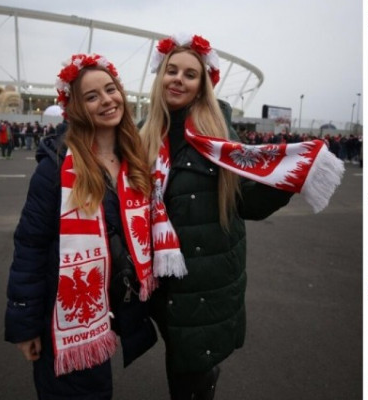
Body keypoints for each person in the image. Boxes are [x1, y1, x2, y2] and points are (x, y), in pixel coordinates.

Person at [139, 33, 345, 399]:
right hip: (159, 280)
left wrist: (289, 174)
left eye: (190, 74)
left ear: (203, 85)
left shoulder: (215, 132)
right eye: (171, 71)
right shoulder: (143, 137)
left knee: (189, 377)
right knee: (180, 356)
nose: (178, 79)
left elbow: (247, 201)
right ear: (159, 76)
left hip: (205, 281)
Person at [4, 53, 156, 399]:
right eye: (92, 96)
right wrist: (25, 325)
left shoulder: (135, 159)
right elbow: (30, 245)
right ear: (74, 108)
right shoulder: (56, 167)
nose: (106, 100)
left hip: (114, 303)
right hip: (66, 312)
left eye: (110, 89)